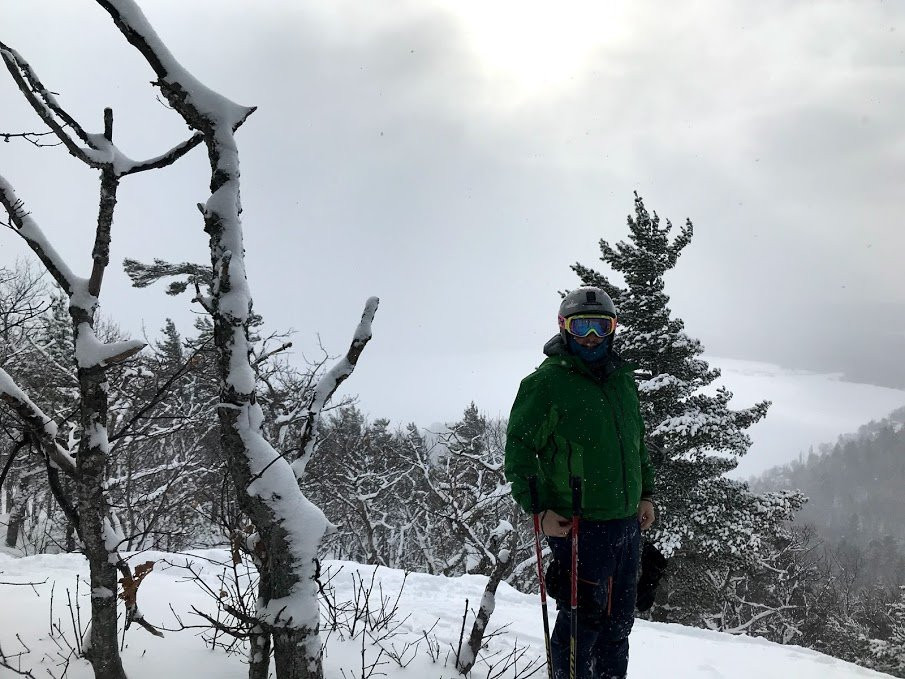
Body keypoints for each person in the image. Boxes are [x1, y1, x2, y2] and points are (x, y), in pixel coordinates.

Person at [504, 286, 656, 679]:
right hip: (579, 525)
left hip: (626, 523)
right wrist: (538, 511)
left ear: (613, 329)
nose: (592, 336)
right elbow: (520, 450)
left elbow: (636, 440)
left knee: (619, 625)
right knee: (580, 626)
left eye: (601, 326)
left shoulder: (622, 379)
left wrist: (645, 495)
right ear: (564, 328)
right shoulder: (547, 383)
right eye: (582, 325)